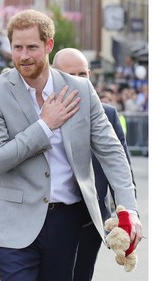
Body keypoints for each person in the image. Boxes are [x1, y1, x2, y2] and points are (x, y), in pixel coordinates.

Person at [0, 9, 143, 281]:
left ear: (48, 45)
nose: (23, 55)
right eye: (17, 47)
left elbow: (111, 151)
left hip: (67, 221)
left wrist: (130, 209)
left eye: (32, 47)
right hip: (13, 221)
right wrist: (44, 126)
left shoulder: (80, 90)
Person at [52, 47, 136, 281]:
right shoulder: (45, 112)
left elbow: (122, 168)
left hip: (91, 218)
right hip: (50, 216)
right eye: (70, 75)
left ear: (90, 74)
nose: (78, 81)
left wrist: (129, 214)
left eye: (82, 74)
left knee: (81, 276)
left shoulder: (107, 113)